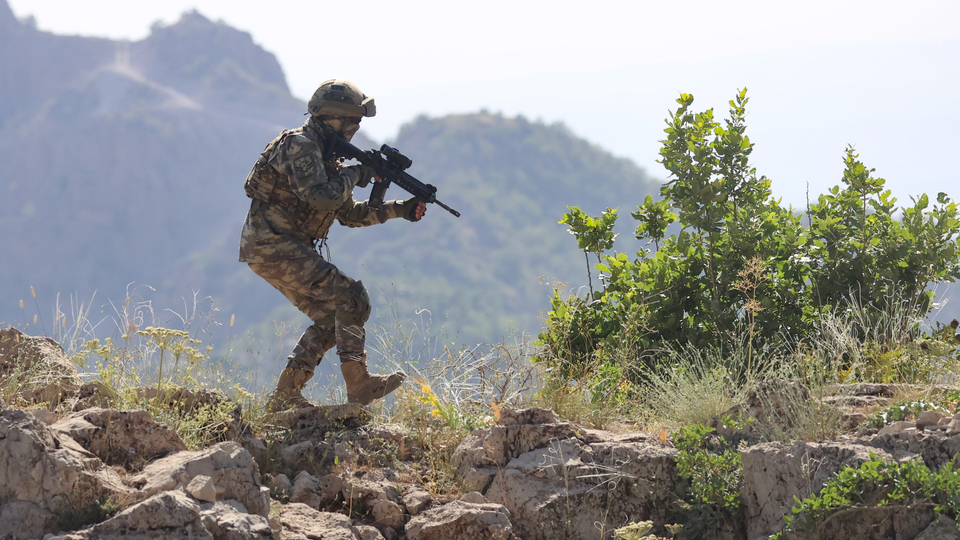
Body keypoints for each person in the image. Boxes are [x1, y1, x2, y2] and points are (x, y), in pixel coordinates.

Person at [239, 79, 426, 410]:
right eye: (352, 121)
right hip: (273, 245)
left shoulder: (326, 160)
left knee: (331, 320)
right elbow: (322, 198)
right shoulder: (301, 146)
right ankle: (359, 385)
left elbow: (350, 214)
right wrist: (357, 174)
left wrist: (402, 209)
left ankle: (285, 396)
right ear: (331, 118)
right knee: (352, 298)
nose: (355, 128)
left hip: (276, 248)